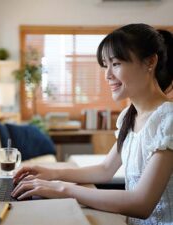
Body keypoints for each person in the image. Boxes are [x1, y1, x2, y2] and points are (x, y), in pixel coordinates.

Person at [11, 23, 173, 225]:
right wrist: (52, 173)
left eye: (116, 64)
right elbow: (105, 169)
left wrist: (63, 189)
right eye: (106, 65)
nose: (107, 75)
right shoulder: (129, 116)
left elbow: (141, 203)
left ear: (150, 62)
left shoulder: (168, 120)